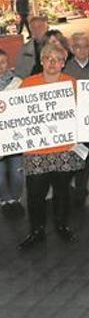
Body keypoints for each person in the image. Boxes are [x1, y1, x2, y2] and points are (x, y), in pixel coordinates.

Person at [18, 44, 84, 249]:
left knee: (62, 191)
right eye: (49, 58)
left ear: (64, 63)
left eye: (58, 59)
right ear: (42, 61)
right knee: (35, 194)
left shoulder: (71, 83)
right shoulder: (28, 84)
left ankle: (61, 226)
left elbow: (80, 112)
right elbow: (18, 113)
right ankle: (36, 230)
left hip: (63, 148)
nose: (53, 63)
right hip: (36, 150)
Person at [0, 49, 23, 218]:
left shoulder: (18, 83)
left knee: (17, 172)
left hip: (15, 138)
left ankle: (15, 200)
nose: (0, 66)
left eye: (2, 62)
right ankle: (4, 201)